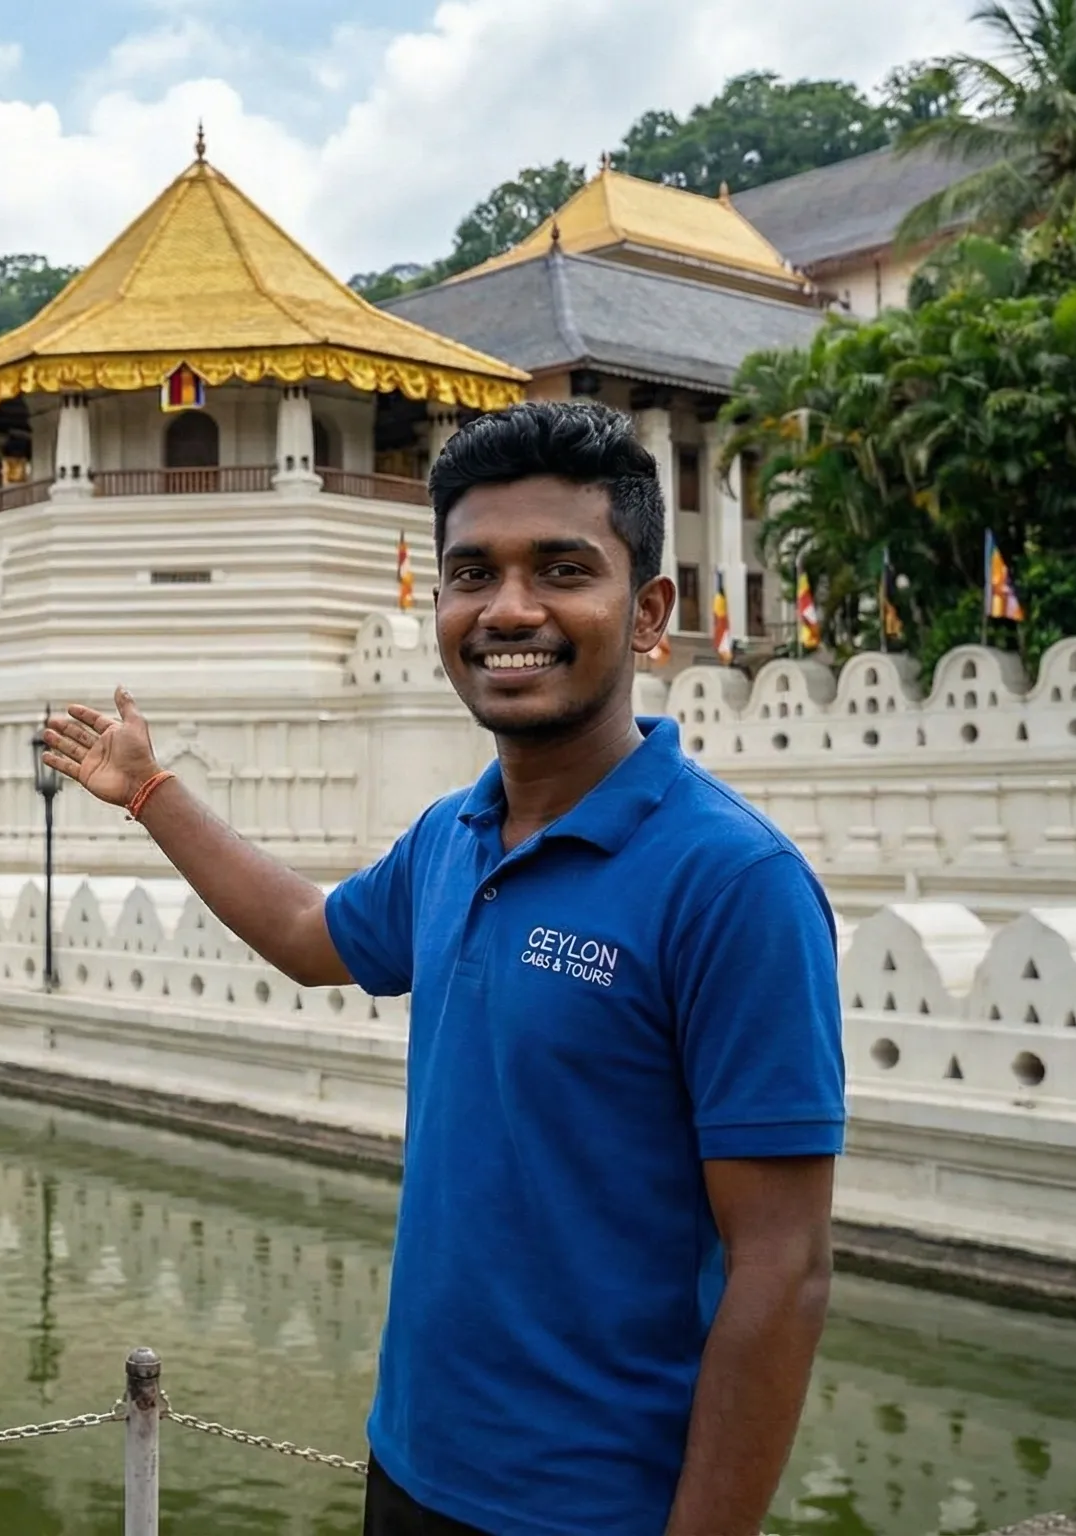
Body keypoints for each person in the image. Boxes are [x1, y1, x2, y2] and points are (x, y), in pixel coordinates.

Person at [45, 401, 842, 1536]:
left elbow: (783, 1270)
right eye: (473, 574)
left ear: (649, 610)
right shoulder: (452, 837)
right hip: (412, 1467)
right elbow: (313, 935)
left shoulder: (730, 883)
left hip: (594, 1508)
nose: (509, 609)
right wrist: (152, 795)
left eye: (562, 569)